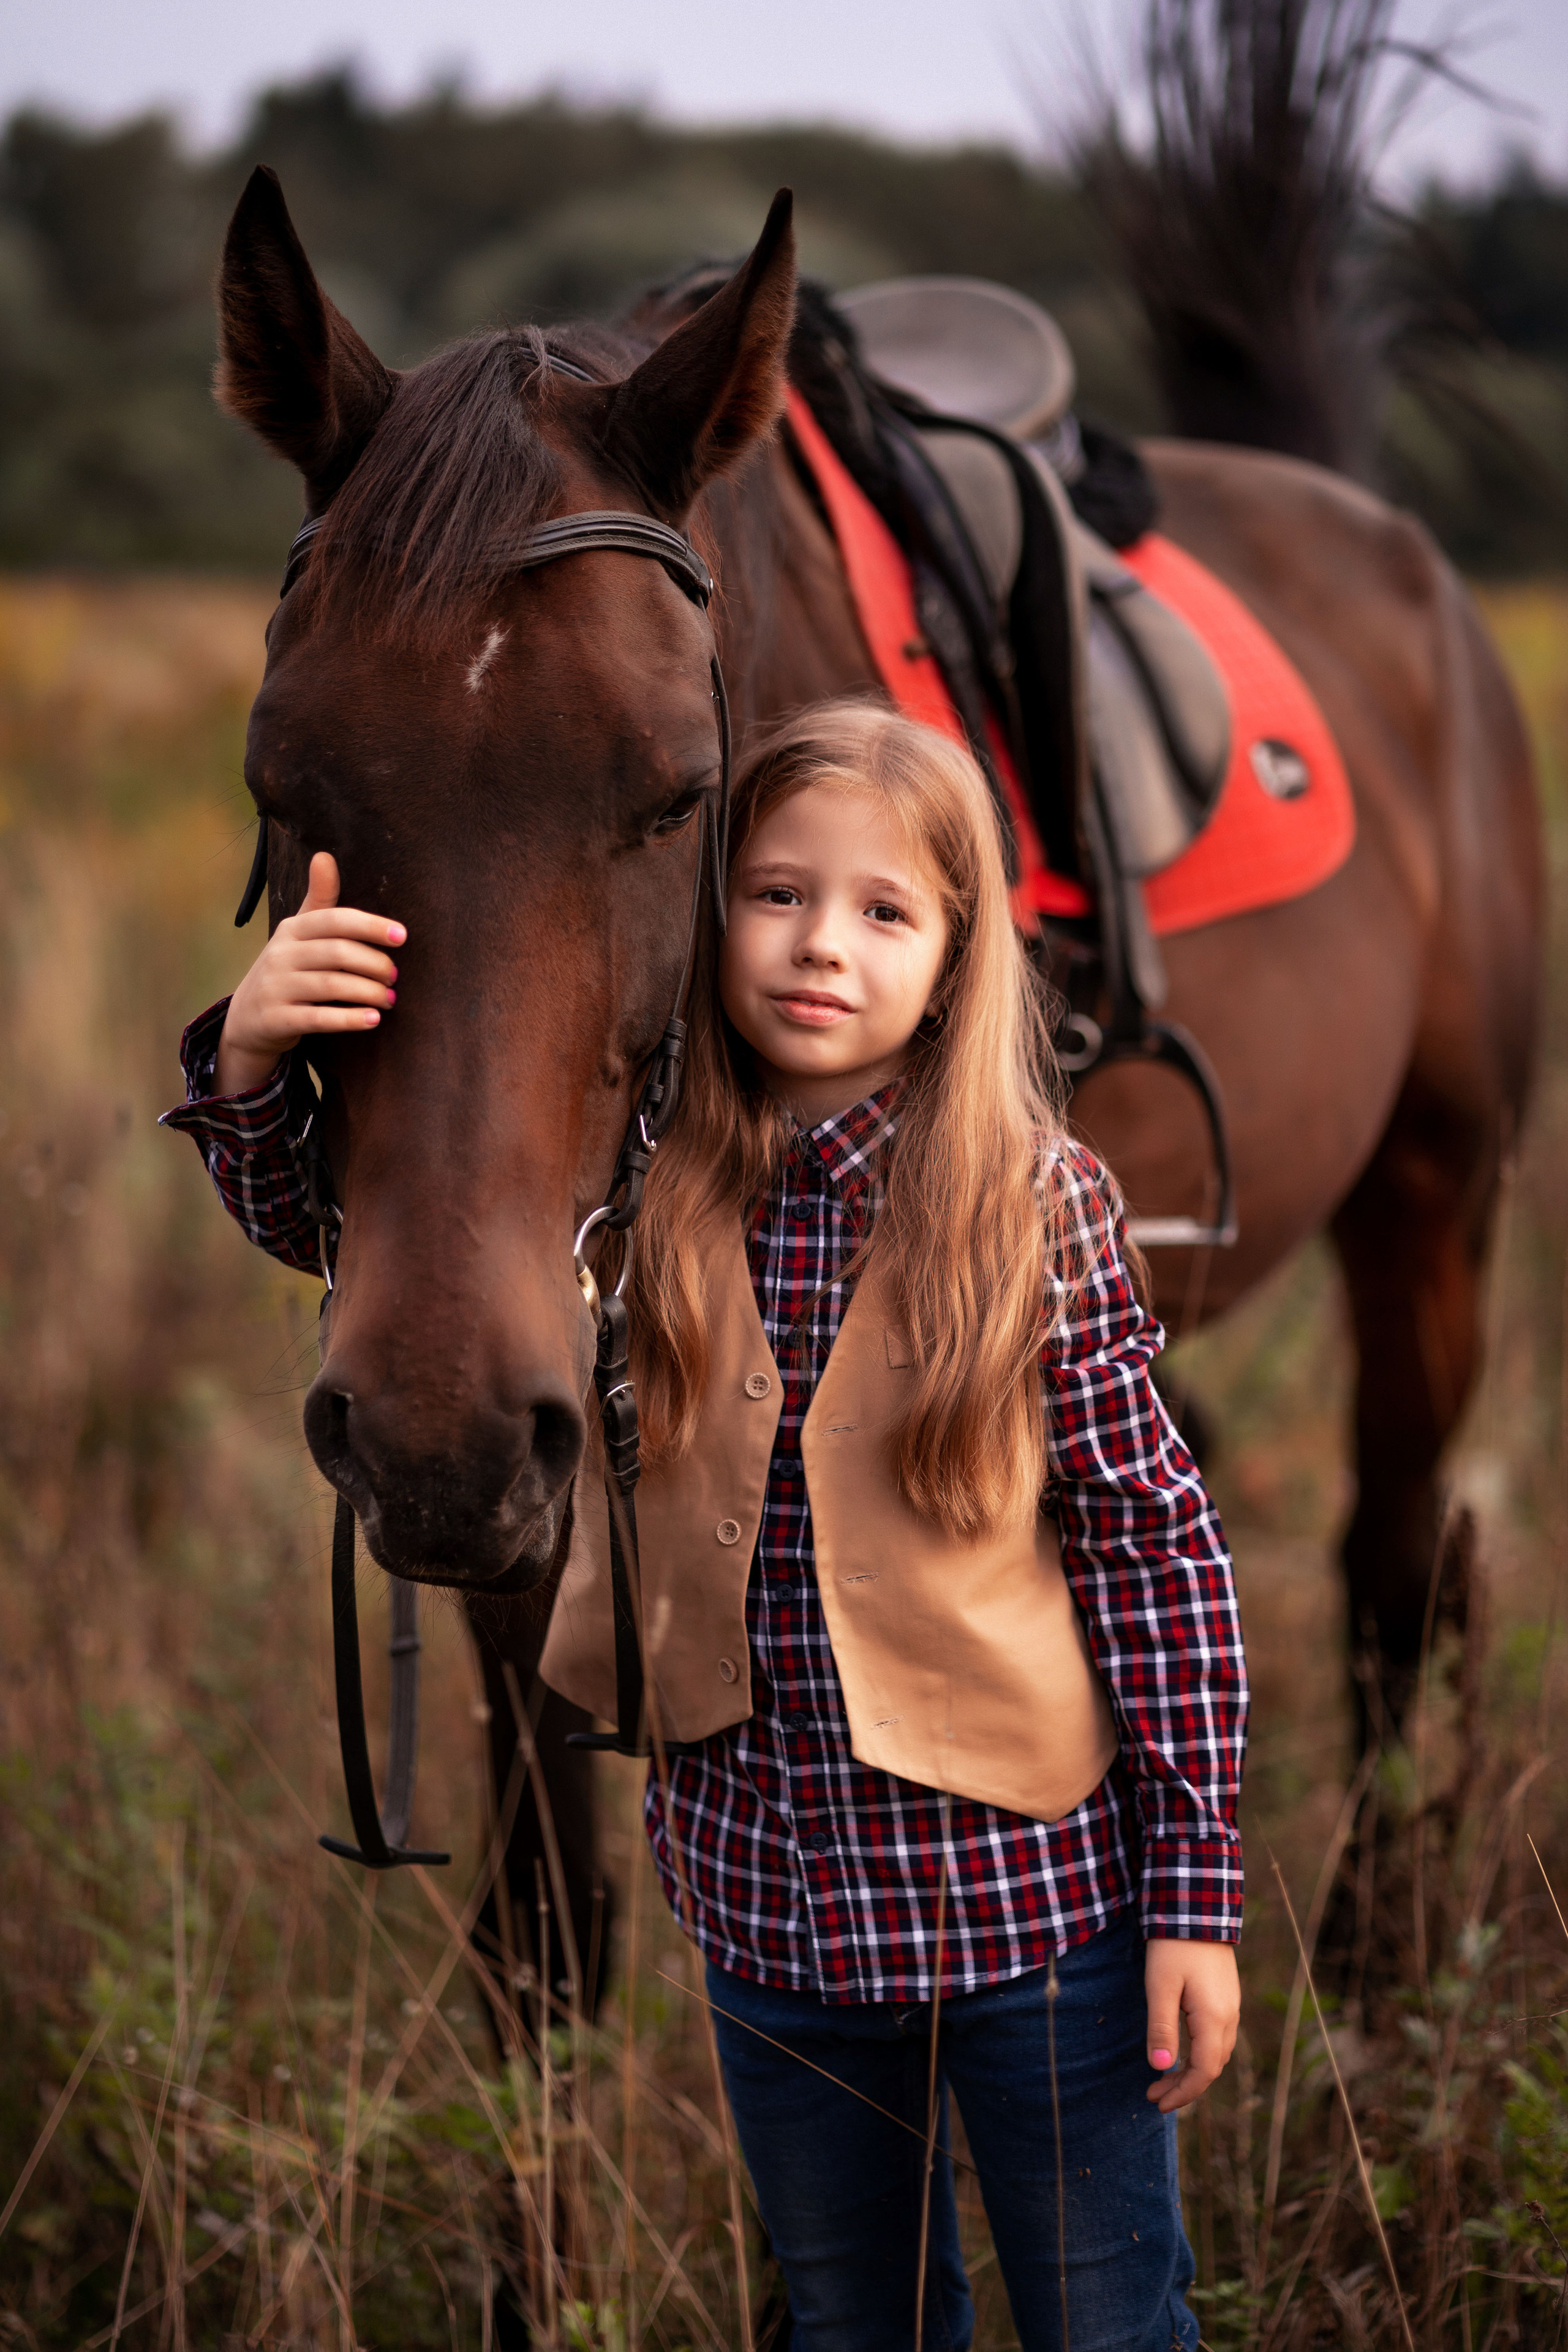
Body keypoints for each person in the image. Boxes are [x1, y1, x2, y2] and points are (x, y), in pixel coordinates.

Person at [165, 698, 1246, 2352]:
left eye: (887, 912)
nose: (824, 946)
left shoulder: (1037, 1204)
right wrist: (249, 1054)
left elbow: (1152, 1549)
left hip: (1036, 1918)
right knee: (845, 2318)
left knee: (1107, 2322)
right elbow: (358, 1243)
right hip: (773, 1921)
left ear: (960, 961)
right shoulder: (651, 1182)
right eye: (779, 893)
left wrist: (1194, 1897)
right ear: (706, 908)